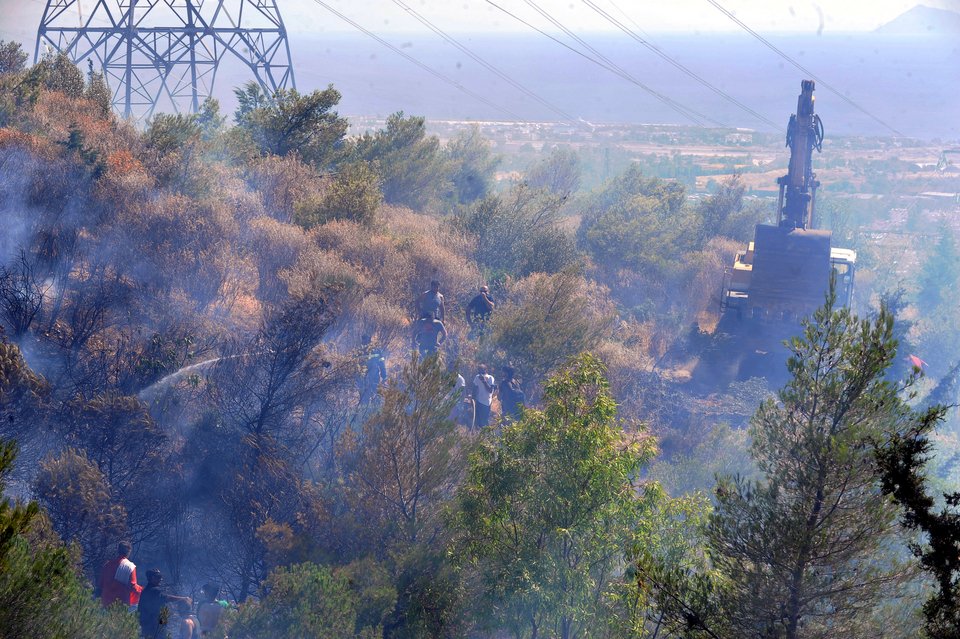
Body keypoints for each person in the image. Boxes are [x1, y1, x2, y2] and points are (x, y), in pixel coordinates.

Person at [138, 569, 192, 639]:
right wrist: (183, 598)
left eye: (160, 577)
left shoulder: (145, 591)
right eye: (158, 577)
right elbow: (167, 598)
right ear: (152, 578)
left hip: (147, 626)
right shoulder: (155, 591)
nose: (161, 579)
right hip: (155, 626)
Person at [100, 541, 142, 609]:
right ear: (129, 552)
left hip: (106, 602)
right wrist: (142, 590)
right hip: (121, 604)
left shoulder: (107, 565)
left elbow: (101, 584)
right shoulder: (130, 567)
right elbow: (133, 587)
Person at [359, 334, 387, 404]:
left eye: (365, 339)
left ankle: (373, 411)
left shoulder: (376, 350)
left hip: (372, 377)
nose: (364, 341)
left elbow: (381, 363)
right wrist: (384, 375)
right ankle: (367, 412)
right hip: (365, 378)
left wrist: (384, 375)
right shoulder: (360, 352)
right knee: (366, 397)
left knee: (374, 395)